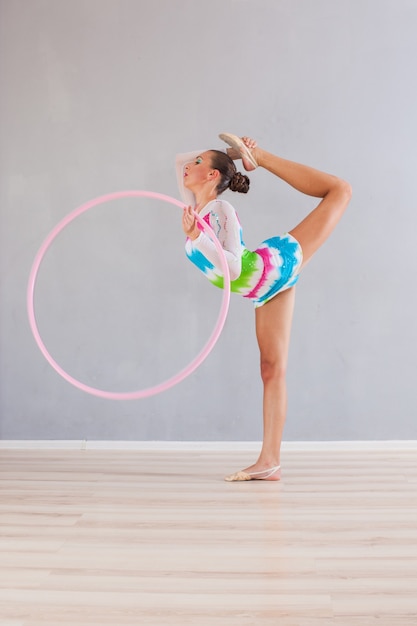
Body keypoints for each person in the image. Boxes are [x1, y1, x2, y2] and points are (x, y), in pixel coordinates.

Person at [177, 133, 352, 481]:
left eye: (197, 163)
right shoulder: (194, 209)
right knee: (271, 369)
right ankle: (269, 461)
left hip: (271, 267)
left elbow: (236, 267)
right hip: (263, 289)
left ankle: (264, 157)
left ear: (212, 176)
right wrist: (227, 157)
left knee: (340, 191)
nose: (186, 164)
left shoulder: (220, 210)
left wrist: (248, 157)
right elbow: (178, 159)